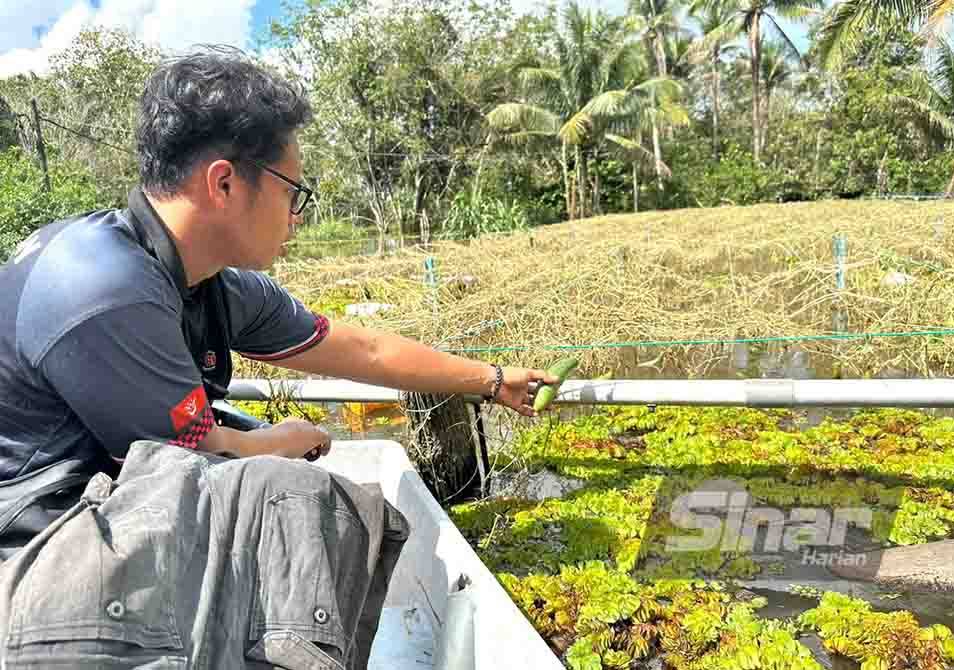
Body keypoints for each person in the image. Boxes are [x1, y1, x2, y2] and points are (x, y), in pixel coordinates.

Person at [0, 47, 557, 669]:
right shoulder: (100, 287)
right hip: (30, 554)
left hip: (99, 514)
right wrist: (280, 439)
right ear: (225, 183)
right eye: (294, 191)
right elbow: (193, 458)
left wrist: (491, 379)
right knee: (290, 494)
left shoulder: (205, 281)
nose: (298, 216)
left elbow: (359, 346)